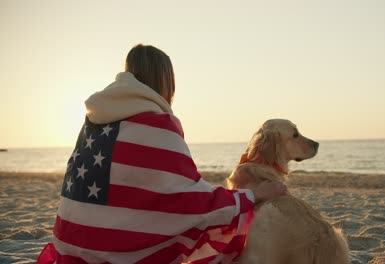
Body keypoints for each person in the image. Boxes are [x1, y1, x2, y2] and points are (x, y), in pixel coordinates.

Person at [37, 44, 287, 264]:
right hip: (113, 252)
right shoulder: (158, 124)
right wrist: (252, 195)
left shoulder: (94, 120)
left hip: (70, 242)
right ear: (166, 81)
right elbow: (188, 200)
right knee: (210, 222)